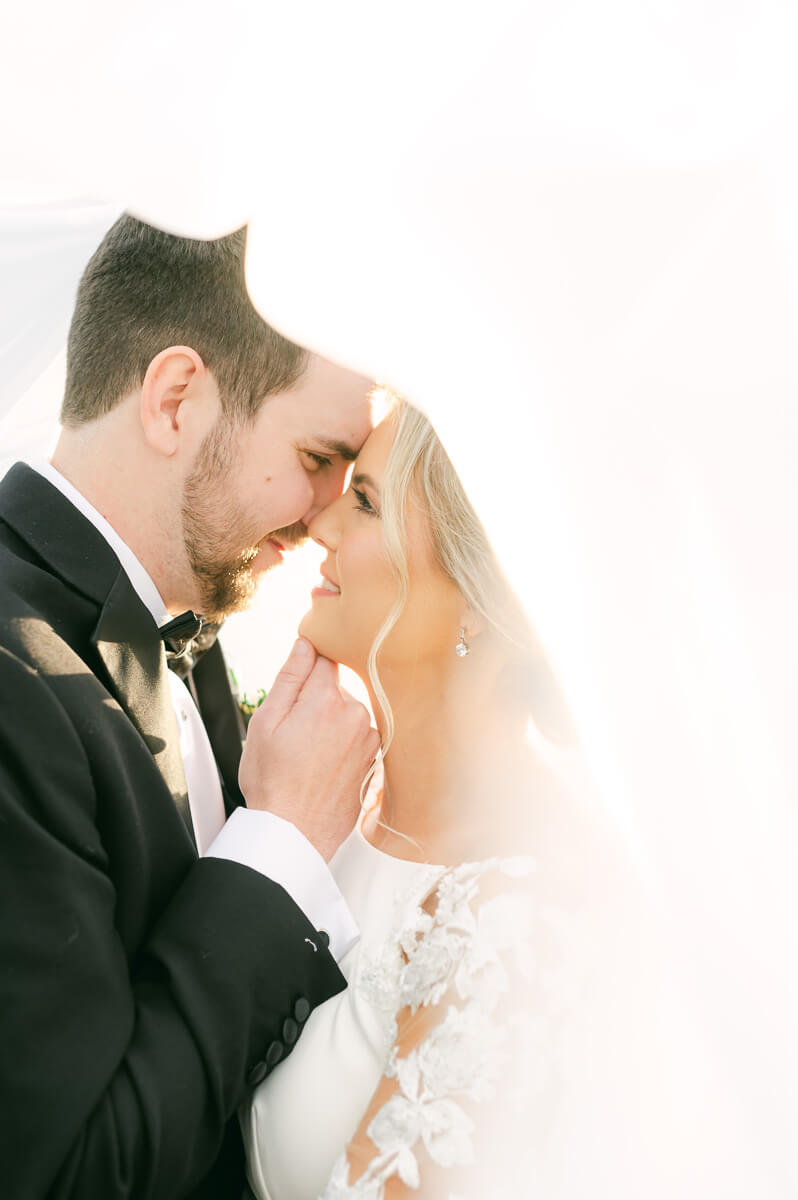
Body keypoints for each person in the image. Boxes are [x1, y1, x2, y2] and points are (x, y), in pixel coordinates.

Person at [0, 215, 380, 1199]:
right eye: (316, 457)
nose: (330, 513)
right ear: (175, 400)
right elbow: (68, 1174)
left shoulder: (183, 626)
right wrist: (283, 849)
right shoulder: (14, 677)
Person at [242, 398, 580, 1199]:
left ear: (481, 589)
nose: (317, 528)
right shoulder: (317, 812)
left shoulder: (524, 910)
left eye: (364, 502)